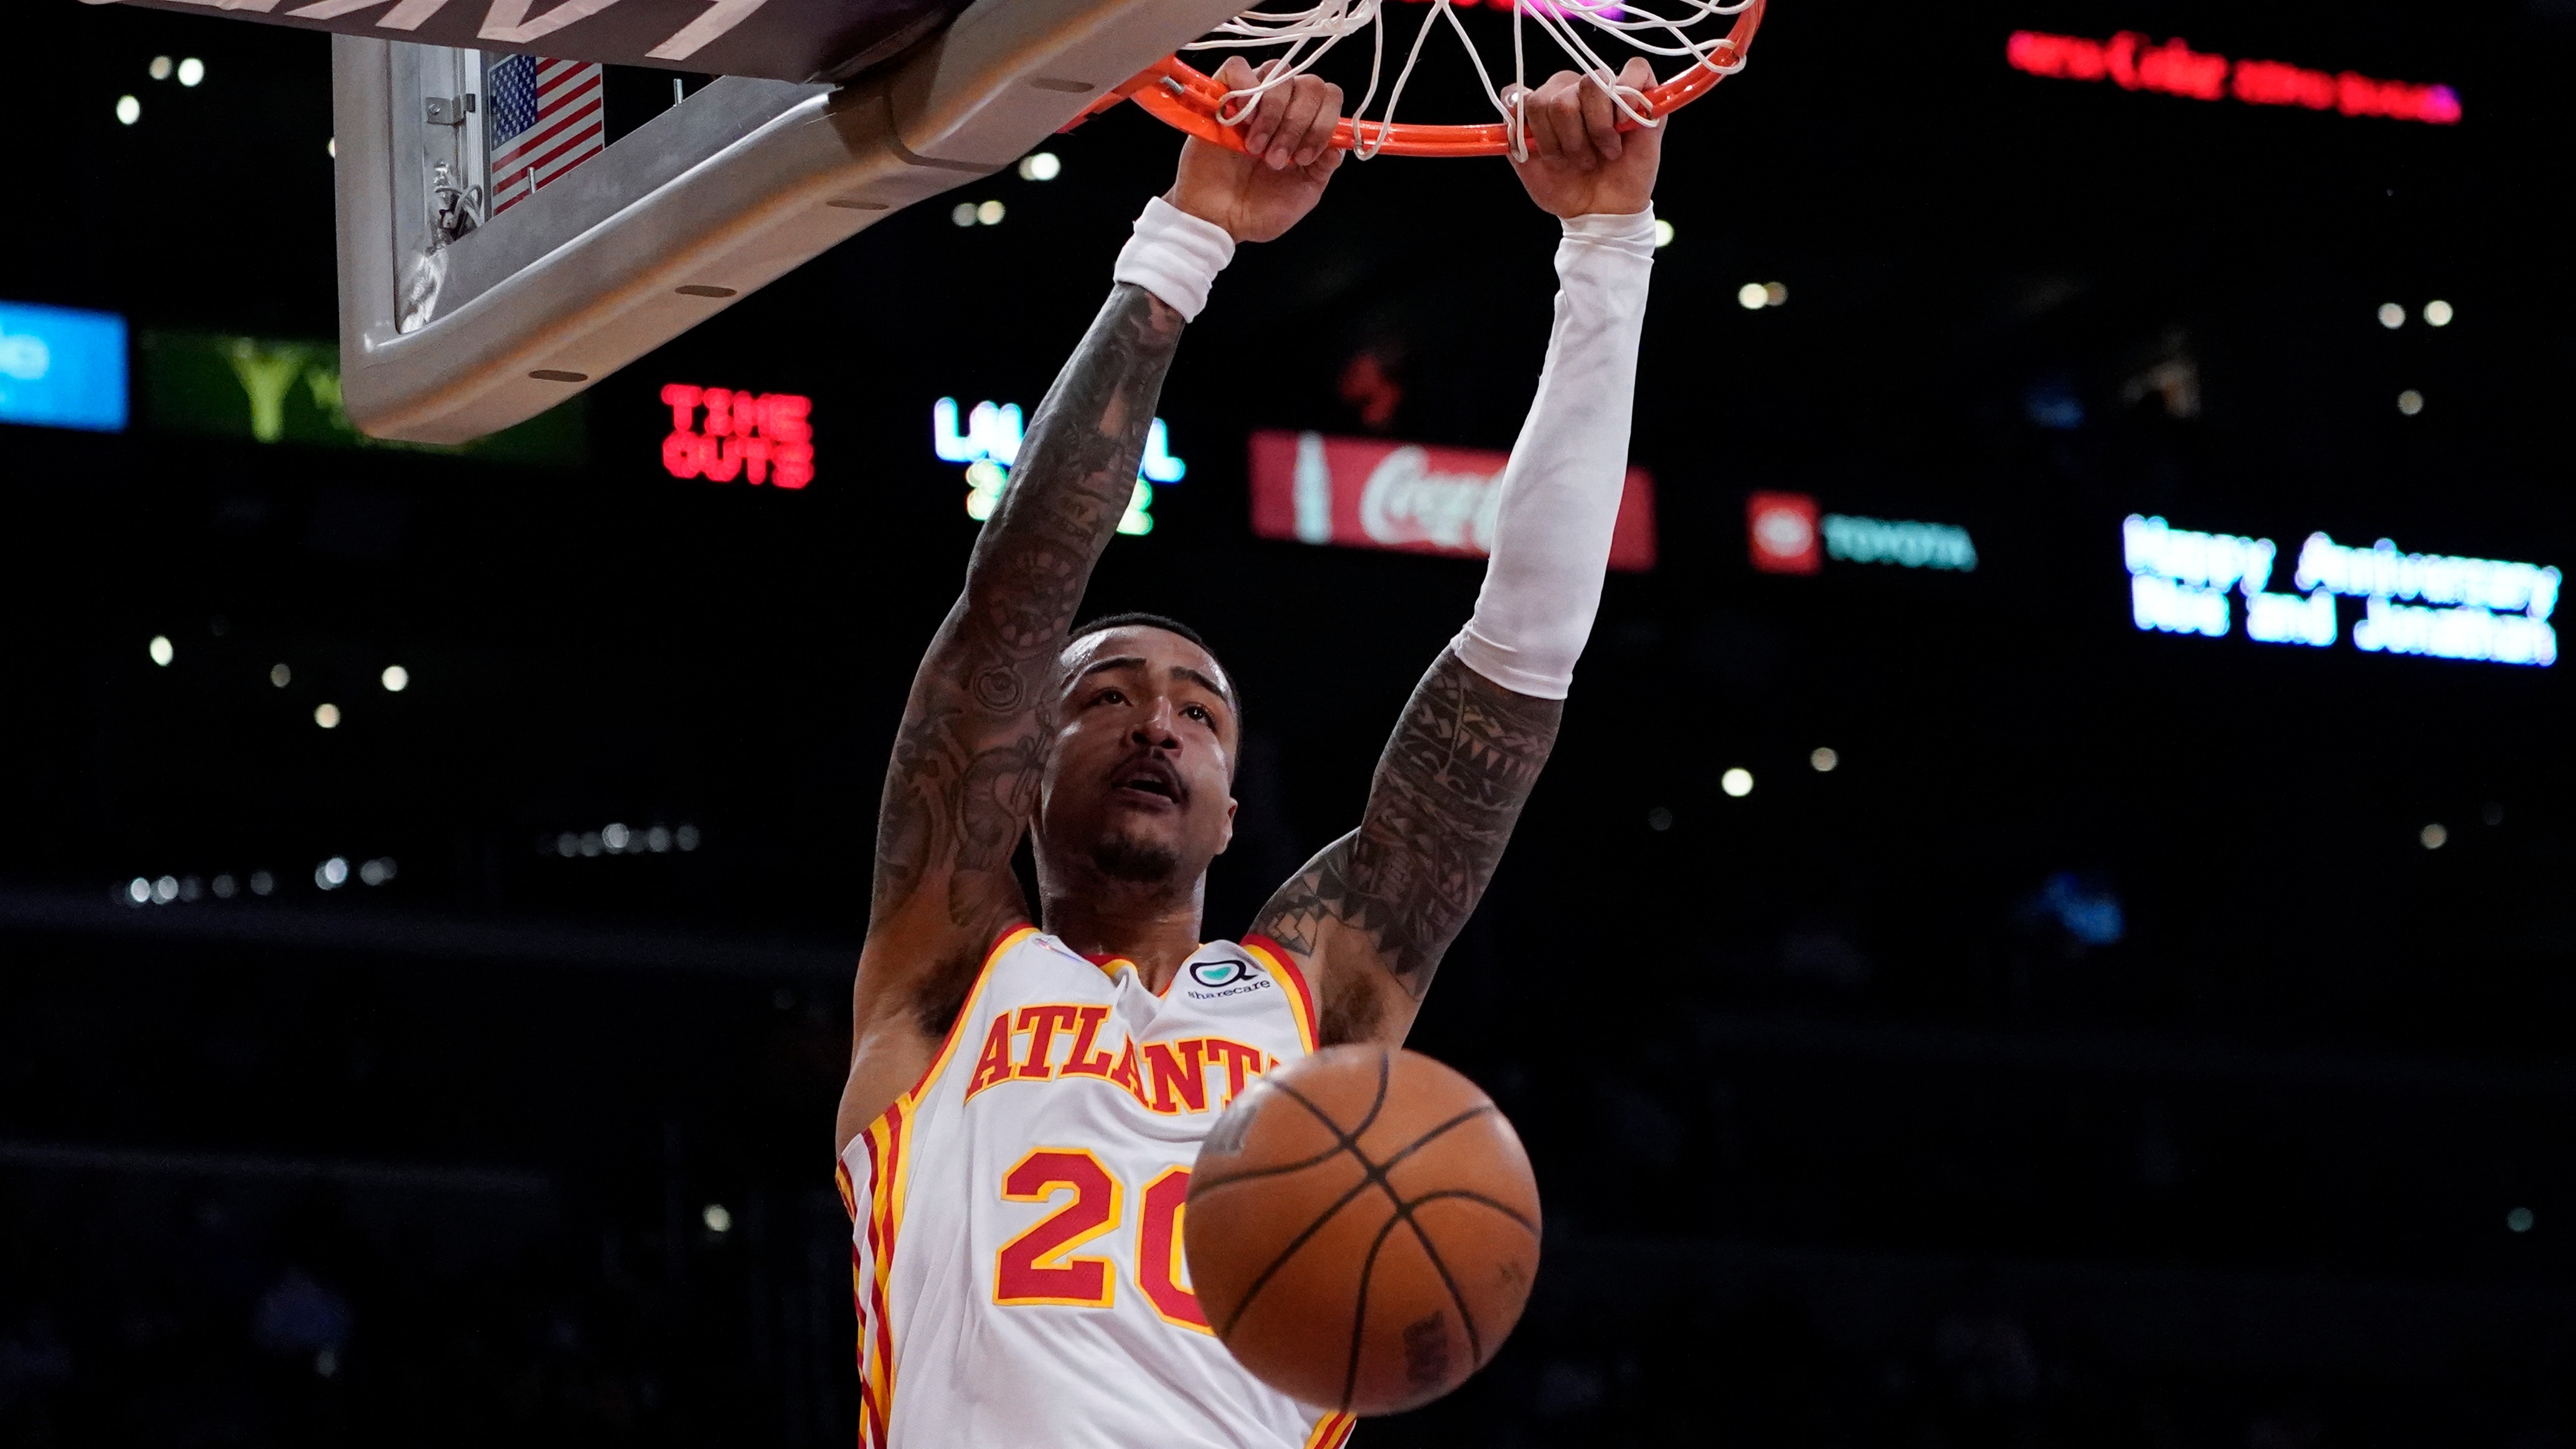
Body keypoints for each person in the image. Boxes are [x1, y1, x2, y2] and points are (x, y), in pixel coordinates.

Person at [834, 50, 1672, 1449]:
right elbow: (1011, 604)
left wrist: (1606, 254)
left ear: (1236, 809)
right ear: (1016, 771)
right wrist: (1187, 235)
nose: (1155, 719)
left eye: (1198, 711)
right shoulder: (944, 975)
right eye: (1102, 698)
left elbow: (1520, 662)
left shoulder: (1310, 996)